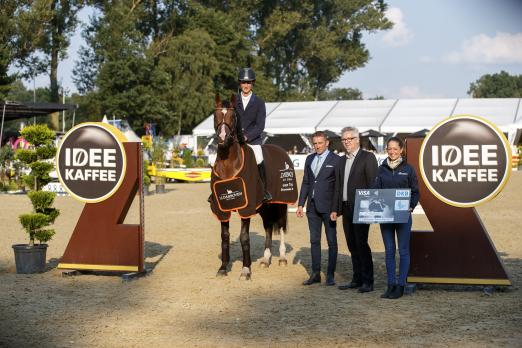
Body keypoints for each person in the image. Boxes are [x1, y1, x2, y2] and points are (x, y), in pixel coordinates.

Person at [331, 126, 378, 293]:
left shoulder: (368, 157)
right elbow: (338, 187)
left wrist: (371, 209)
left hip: (362, 207)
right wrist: (335, 208)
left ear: (357, 140)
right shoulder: (341, 160)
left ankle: (368, 281)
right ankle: (357, 278)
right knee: (351, 245)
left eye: (350, 139)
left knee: (361, 244)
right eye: (344, 139)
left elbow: (373, 184)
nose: (346, 142)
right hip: (346, 208)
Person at [372, 136, 419, 299]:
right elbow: (375, 190)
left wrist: (411, 206)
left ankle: (401, 285)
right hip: (386, 216)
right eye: (389, 148)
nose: (392, 151)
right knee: (389, 251)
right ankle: (391, 284)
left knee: (403, 251)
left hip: (403, 215)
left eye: (395, 149)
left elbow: (415, 191)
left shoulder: (409, 169)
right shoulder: (381, 169)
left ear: (401, 150)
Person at [297, 131, 340, 286]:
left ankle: (330, 275)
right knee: (314, 241)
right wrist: (301, 203)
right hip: (312, 207)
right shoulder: (309, 158)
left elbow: (338, 188)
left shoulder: (336, 160)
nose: (317, 146)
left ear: (326, 143)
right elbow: (306, 182)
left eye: (320, 143)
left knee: (331, 241)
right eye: (315, 143)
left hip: (329, 208)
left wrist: (336, 208)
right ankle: (315, 274)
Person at [234, 67, 272, 201]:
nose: (246, 85)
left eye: (248, 82)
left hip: (253, 141)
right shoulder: (234, 101)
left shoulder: (259, 102)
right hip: (235, 140)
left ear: (252, 83)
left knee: (259, 157)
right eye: (244, 82)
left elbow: (260, 126)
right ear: (240, 84)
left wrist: (246, 136)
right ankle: (216, 189)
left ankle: (265, 189)